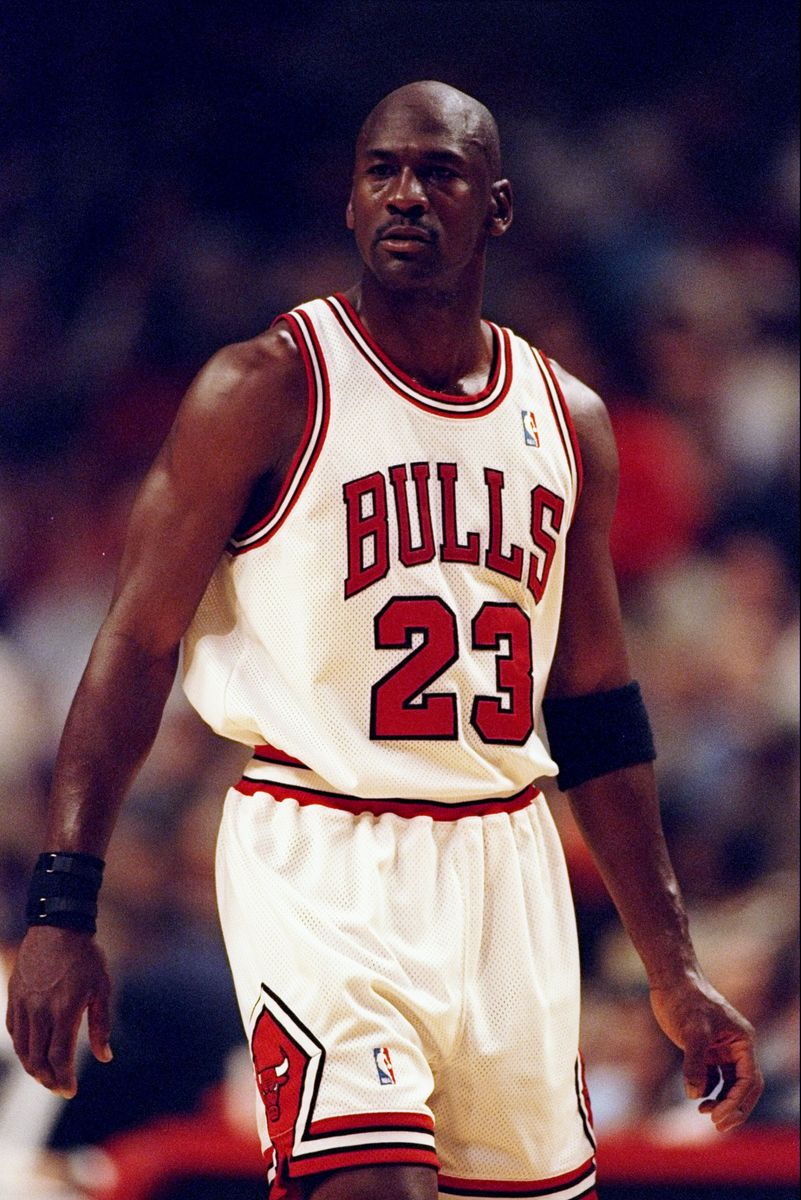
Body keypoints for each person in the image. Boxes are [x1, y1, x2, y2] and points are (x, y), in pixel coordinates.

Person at [6, 81, 762, 1200]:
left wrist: (676, 967)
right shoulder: (263, 387)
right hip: (321, 849)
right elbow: (132, 645)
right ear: (353, 206)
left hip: (507, 860)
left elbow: (598, 703)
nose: (407, 194)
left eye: (440, 172)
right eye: (382, 172)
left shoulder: (568, 421)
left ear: (496, 208)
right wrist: (63, 908)